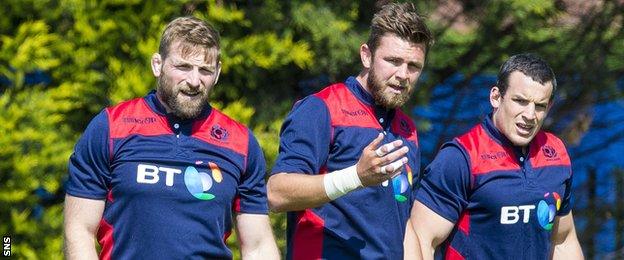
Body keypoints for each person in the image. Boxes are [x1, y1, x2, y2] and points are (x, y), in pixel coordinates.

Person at [63, 17, 279, 259]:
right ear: (158, 64)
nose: (195, 81)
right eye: (183, 67)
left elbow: (258, 246)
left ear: (217, 73)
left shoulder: (241, 143)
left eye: (205, 70)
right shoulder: (111, 127)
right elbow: (79, 230)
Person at [267, 3, 434, 259]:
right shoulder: (322, 109)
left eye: (414, 66)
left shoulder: (406, 129)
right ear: (366, 55)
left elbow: (404, 221)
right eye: (393, 61)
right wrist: (355, 176)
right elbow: (276, 193)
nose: (403, 75)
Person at [411, 53, 584, 259]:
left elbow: (563, 240)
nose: (530, 115)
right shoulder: (461, 157)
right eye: (520, 101)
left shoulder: (556, 153)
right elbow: (422, 239)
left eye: (539, 106)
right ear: (496, 97)